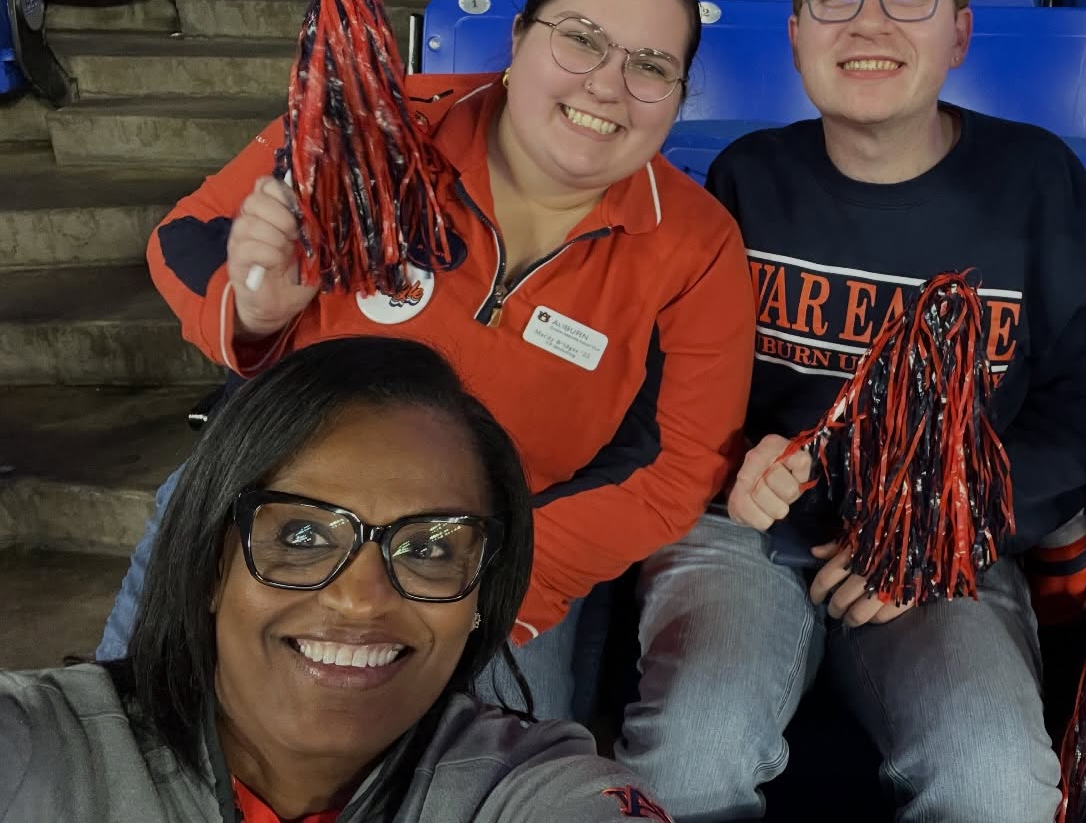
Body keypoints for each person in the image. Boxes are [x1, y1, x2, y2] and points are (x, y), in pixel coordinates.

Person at [97, 0, 756, 727]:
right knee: (142, 727)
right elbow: (188, 232)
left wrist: (491, 575)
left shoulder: (699, 243)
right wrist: (253, 312)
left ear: (680, 97)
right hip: (279, 492)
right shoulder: (379, 123)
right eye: (581, 40)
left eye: (650, 66)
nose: (608, 86)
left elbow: (676, 470)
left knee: (488, 765)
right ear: (519, 39)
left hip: (502, 549)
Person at [614, 0, 1086, 821]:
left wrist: (938, 525)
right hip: (747, 537)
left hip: (950, 549)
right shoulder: (745, 180)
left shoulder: (1040, 187)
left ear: (960, 33)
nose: (869, 23)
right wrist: (733, 459)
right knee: (689, 759)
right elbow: (668, 385)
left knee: (995, 782)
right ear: (796, 33)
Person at [0, 337, 678, 822]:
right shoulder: (40, 747)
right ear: (210, 565)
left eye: (430, 548)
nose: (359, 598)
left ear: (479, 596)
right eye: (301, 535)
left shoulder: (520, 785)